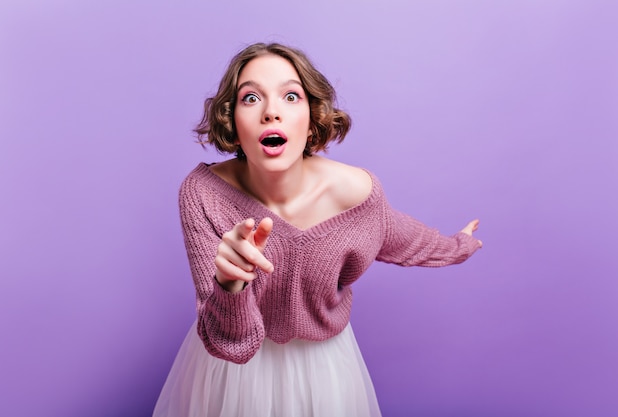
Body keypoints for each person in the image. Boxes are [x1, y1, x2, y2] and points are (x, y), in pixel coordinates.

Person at [153, 42, 482, 417]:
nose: (271, 112)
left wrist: (459, 244)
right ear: (232, 121)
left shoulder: (356, 194)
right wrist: (230, 286)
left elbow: (404, 236)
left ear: (312, 116)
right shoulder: (202, 193)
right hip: (228, 373)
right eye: (250, 99)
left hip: (323, 370)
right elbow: (232, 345)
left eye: (291, 96)